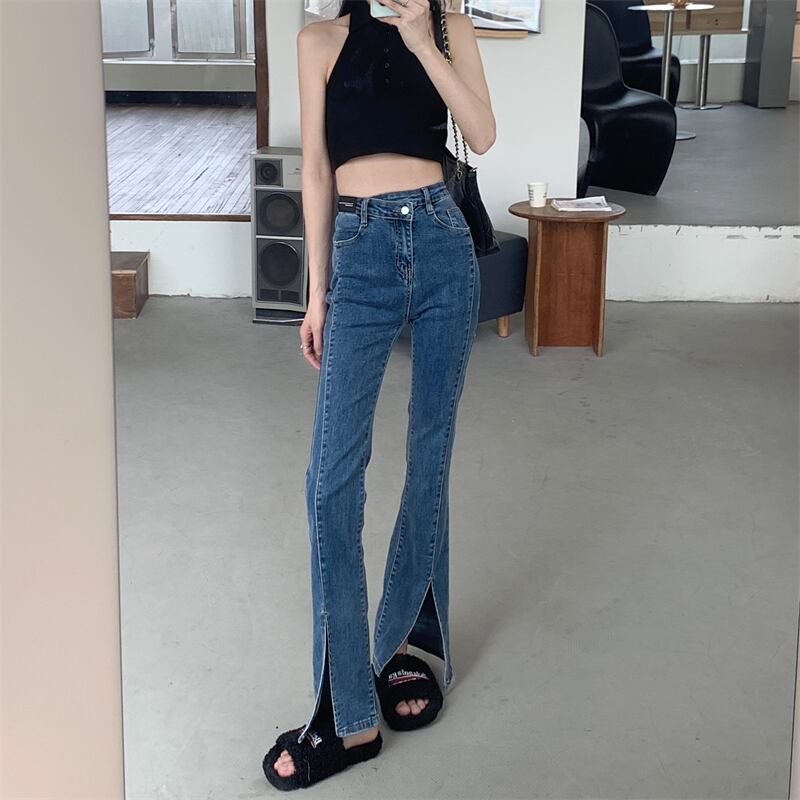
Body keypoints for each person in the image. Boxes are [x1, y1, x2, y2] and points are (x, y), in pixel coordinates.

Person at [263, 0, 495, 789]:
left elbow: (482, 133)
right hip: (359, 250)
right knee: (331, 481)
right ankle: (348, 711)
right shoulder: (319, 39)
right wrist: (316, 292)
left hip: (442, 244)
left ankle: (405, 644)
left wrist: (422, 41)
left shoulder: (450, 28)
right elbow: (316, 165)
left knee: (430, 461)